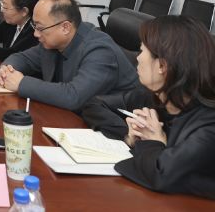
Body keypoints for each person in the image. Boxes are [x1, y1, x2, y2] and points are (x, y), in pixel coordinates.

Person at [81, 16, 215, 199]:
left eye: (141, 50)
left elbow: (162, 174)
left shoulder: (209, 125)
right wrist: (129, 135)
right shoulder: (155, 96)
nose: (137, 57)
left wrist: (151, 142)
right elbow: (95, 104)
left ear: (162, 65)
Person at [0, 0, 139, 112]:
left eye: (40, 28)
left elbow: (74, 96)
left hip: (114, 127)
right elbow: (23, 58)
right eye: (34, 26)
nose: (35, 34)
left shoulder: (100, 51)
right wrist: (6, 70)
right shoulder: (51, 43)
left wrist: (21, 83)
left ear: (65, 27)